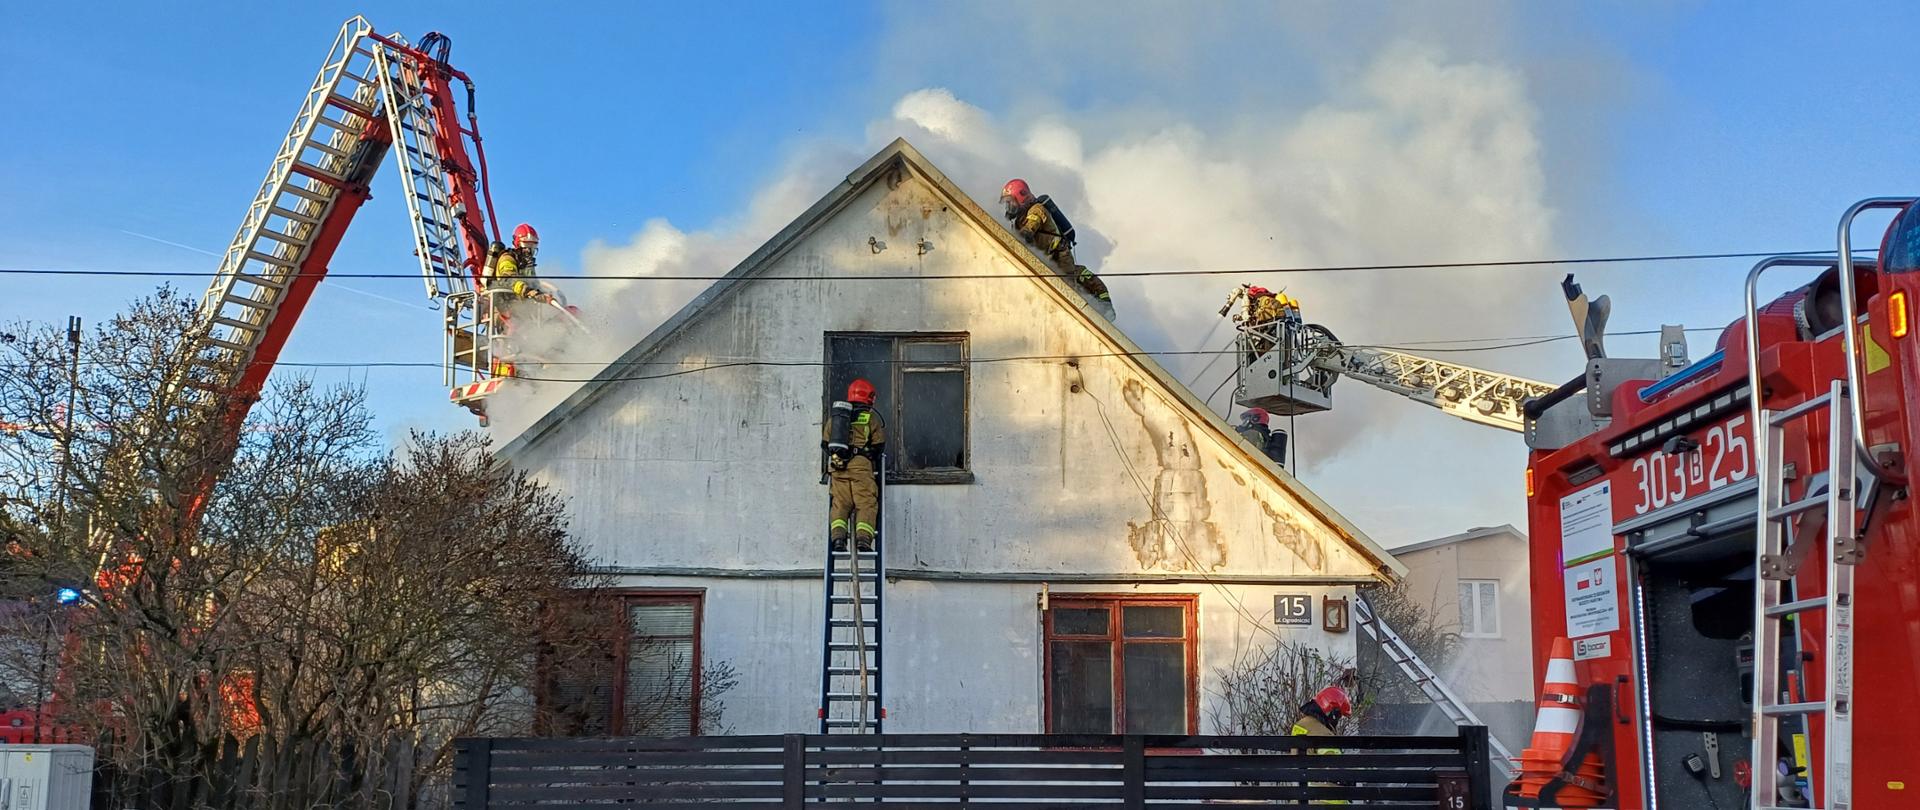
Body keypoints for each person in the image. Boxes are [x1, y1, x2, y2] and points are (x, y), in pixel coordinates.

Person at [1000, 179, 1115, 320]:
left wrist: (1025, 233)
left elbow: (1032, 224)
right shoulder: (1019, 220)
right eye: (1007, 203)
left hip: (1060, 255)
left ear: (1022, 196)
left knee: (1069, 290)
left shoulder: (1036, 209)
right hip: (1048, 258)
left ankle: (1092, 312)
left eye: (1010, 201)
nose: (1009, 206)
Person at [823, 379, 887, 553]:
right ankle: (863, 540)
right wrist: (867, 454)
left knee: (840, 504)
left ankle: (837, 539)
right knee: (865, 503)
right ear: (868, 397)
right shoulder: (869, 418)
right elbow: (879, 444)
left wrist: (840, 456)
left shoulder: (836, 418)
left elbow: (825, 443)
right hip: (861, 469)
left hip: (838, 467)